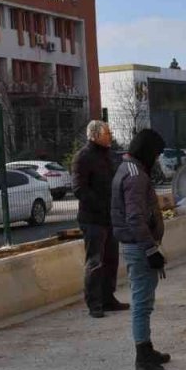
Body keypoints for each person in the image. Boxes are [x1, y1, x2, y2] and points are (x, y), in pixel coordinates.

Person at [112, 129, 174, 370]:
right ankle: (143, 362)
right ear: (148, 152)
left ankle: (147, 349)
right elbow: (135, 217)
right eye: (157, 154)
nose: (157, 159)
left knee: (144, 302)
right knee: (142, 303)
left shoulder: (127, 169)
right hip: (139, 247)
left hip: (137, 244)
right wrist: (151, 249)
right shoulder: (136, 176)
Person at [74, 120, 127, 318]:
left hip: (110, 217)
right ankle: (94, 303)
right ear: (96, 135)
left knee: (111, 259)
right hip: (93, 219)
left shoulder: (109, 156)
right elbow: (79, 189)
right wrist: (101, 205)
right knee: (95, 262)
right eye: (107, 133)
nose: (110, 136)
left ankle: (108, 298)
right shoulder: (83, 157)